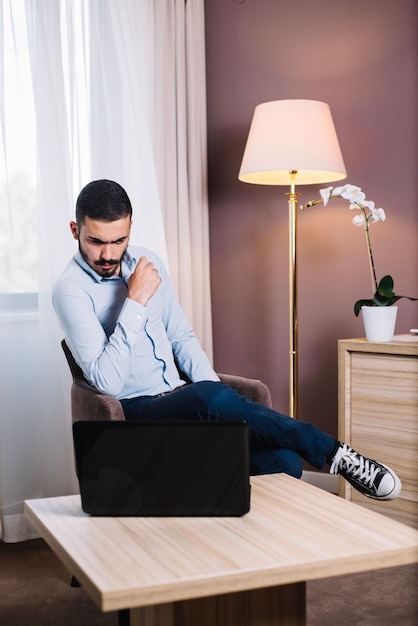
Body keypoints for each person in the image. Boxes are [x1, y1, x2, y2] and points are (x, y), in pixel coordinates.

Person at [53, 179, 401, 501]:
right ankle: (336, 453)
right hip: (135, 413)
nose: (109, 254)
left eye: (118, 240)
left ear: (130, 228)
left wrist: (217, 411)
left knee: (284, 461)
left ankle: (234, 544)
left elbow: (181, 337)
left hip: (183, 404)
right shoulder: (70, 292)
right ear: (75, 230)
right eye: (96, 241)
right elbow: (106, 381)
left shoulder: (148, 262)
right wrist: (136, 301)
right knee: (209, 395)